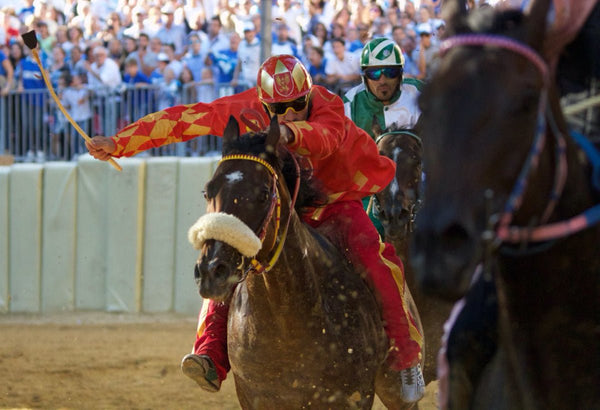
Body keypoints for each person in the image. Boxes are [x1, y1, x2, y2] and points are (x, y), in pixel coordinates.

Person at [85, 54, 424, 403]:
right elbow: (182, 120)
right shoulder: (245, 108)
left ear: (309, 95)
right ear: (263, 104)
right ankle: (210, 353)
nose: (290, 112)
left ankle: (405, 356)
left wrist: (287, 132)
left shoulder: (330, 105)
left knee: (376, 256)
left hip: (336, 202)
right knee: (232, 244)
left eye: (298, 103)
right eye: (280, 108)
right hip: (282, 204)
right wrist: (119, 143)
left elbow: (324, 137)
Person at [343, 37, 423, 273]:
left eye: (390, 72)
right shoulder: (349, 104)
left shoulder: (419, 94)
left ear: (400, 74)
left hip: (418, 179)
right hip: (369, 189)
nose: (383, 80)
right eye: (374, 74)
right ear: (364, 77)